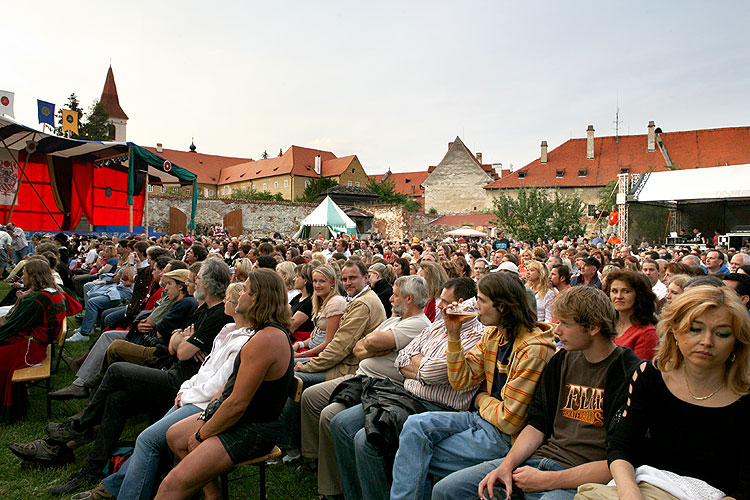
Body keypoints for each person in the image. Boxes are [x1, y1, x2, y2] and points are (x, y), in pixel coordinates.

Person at [33, 259, 231, 495]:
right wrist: (181, 338)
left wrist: (182, 341)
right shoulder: (201, 309)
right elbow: (173, 345)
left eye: (198, 278)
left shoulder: (218, 314)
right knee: (117, 398)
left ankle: (81, 425)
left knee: (117, 368)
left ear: (207, 283)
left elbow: (182, 350)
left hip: (179, 382)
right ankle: (91, 469)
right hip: (171, 370)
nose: (194, 281)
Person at [436, 286, 641, 500]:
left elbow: (621, 460)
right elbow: (537, 424)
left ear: (593, 328)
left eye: (565, 324)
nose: (557, 331)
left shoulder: (629, 373)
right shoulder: (561, 361)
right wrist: (507, 466)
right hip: (538, 460)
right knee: (447, 490)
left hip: (581, 477)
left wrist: (547, 480)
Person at [389, 272, 556, 500]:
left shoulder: (533, 349)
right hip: (482, 419)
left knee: (413, 456)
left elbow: (510, 421)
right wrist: (454, 335)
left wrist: (481, 399)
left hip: (507, 438)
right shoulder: (495, 335)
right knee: (415, 425)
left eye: (481, 300)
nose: (475, 306)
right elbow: (460, 381)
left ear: (503, 307)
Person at [577, 286, 750, 500]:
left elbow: (746, 486)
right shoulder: (651, 375)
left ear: (736, 342)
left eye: (721, 334)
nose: (707, 341)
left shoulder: (745, 397)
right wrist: (629, 491)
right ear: (675, 331)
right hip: (645, 487)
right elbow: (621, 446)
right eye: (695, 329)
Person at [332, 277, 485, 500]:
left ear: (461, 303)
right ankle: (352, 494)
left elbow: (434, 372)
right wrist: (421, 367)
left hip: (437, 407)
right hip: (404, 396)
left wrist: (419, 366)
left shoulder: (476, 336)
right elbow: (402, 360)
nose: (438, 305)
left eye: (443, 300)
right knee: (341, 423)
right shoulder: (439, 324)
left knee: (366, 441)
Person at [154, 269, 294, 500]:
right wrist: (207, 417)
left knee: (170, 486)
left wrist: (202, 433)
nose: (239, 295)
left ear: (257, 298)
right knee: (175, 436)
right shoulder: (264, 334)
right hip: (242, 419)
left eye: (245, 291)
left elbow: (237, 404)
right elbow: (230, 396)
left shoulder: (265, 340)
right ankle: (214, 495)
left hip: (253, 429)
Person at [300, 275, 432, 500]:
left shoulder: (419, 323)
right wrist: (374, 346)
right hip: (360, 377)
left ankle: (335, 488)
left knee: (333, 417)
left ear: (409, 299)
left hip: (382, 387)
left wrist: (372, 345)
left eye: (396, 295)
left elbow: (367, 343)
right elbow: (359, 348)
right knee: (311, 397)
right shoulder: (395, 320)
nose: (390, 298)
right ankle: (318, 463)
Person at [0, 258, 66, 422]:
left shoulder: (36, 300)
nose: (22, 276)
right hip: (36, 345)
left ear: (33, 276)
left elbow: (11, 328)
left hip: (30, 350)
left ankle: (10, 407)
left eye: (24, 273)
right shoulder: (53, 292)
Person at [293, 264, 347, 358]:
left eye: (322, 281)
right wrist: (300, 345)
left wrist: (301, 354)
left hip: (322, 355)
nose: (317, 285)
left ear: (332, 282)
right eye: (315, 281)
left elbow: (329, 342)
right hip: (312, 349)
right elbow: (317, 336)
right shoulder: (321, 301)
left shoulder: (336, 303)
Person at [605, 269, 658, 360]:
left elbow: (641, 371)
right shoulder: (607, 324)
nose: (618, 296)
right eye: (614, 291)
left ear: (638, 295)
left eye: (626, 291)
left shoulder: (646, 333)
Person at [289, 263, 316, 343]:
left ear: (305, 280)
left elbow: (292, 326)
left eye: (297, 276)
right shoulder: (297, 298)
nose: (294, 279)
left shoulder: (309, 302)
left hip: (299, 341)